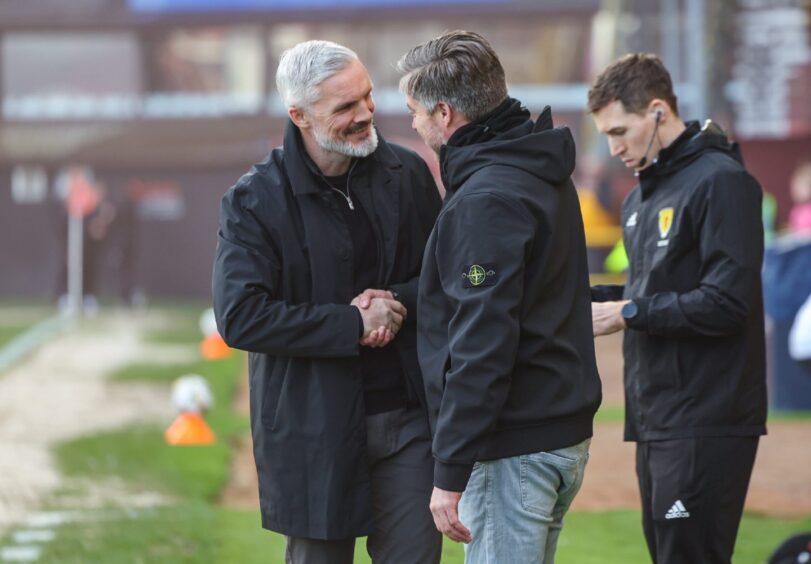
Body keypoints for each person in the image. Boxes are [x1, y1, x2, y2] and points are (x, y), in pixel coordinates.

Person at [212, 40, 442, 564]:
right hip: (312, 429)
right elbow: (241, 317)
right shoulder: (254, 200)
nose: (365, 114)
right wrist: (351, 324)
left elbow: (443, 280)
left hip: (409, 422)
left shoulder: (408, 174)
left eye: (367, 96)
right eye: (344, 107)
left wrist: (396, 304)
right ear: (299, 115)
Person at [397, 31, 601, 563]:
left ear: (444, 114)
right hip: (554, 436)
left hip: (514, 449)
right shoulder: (535, 167)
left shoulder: (488, 196)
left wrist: (450, 471)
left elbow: (483, 342)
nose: (412, 124)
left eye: (415, 111)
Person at [588, 53, 767, 563]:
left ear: (659, 112)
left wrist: (626, 315)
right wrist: (575, 298)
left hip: (707, 415)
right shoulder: (640, 198)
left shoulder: (721, 181)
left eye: (621, 130)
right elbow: (646, 289)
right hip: (659, 417)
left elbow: (729, 303)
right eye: (605, 133)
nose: (613, 146)